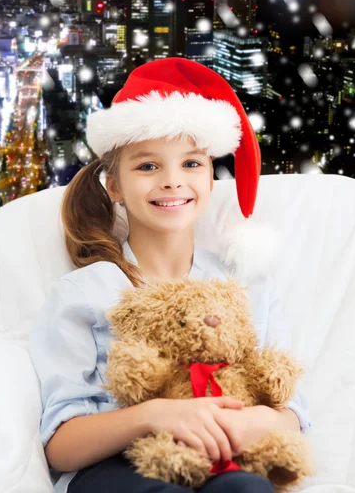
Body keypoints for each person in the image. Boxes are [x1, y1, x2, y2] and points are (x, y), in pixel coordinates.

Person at [28, 58, 312, 493]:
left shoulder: (247, 286)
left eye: (191, 164)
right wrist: (156, 414)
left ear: (211, 179)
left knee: (247, 491)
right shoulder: (86, 293)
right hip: (120, 468)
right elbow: (60, 445)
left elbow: (293, 413)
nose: (172, 181)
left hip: (225, 460)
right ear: (115, 187)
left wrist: (256, 421)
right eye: (147, 166)